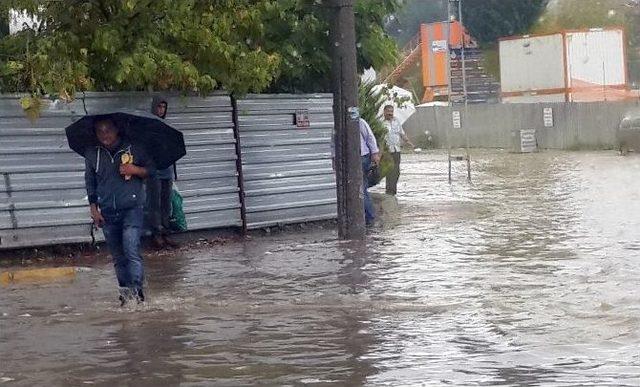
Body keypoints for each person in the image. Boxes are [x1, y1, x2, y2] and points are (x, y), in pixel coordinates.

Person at [84, 119, 155, 306]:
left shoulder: (134, 149)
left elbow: (152, 170)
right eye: (100, 131)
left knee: (131, 250)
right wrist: (94, 209)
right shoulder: (93, 154)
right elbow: (90, 183)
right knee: (118, 258)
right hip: (107, 212)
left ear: (117, 129)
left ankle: (138, 295)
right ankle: (125, 295)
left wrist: (135, 169)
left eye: (108, 129)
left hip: (132, 209)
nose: (104, 134)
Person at [148, 96, 179, 249]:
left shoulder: (167, 125)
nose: (161, 110)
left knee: (166, 203)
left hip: (167, 169)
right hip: (154, 170)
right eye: (159, 107)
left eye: (163, 107)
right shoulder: (149, 125)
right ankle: (156, 234)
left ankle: (166, 232)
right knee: (155, 203)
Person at [382, 104, 414, 195]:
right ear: (384, 112)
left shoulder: (397, 121)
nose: (390, 113)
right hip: (387, 151)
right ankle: (389, 191)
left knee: (397, 172)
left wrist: (409, 142)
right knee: (390, 171)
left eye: (391, 111)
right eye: (388, 111)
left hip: (397, 150)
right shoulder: (381, 123)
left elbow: (402, 133)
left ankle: (393, 190)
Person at [360, 118, 380, 226]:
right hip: (350, 158)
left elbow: (370, 137)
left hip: (363, 157)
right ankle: (368, 217)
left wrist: (375, 153)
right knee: (361, 188)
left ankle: (370, 217)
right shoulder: (339, 124)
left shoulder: (360, 122)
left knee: (361, 188)